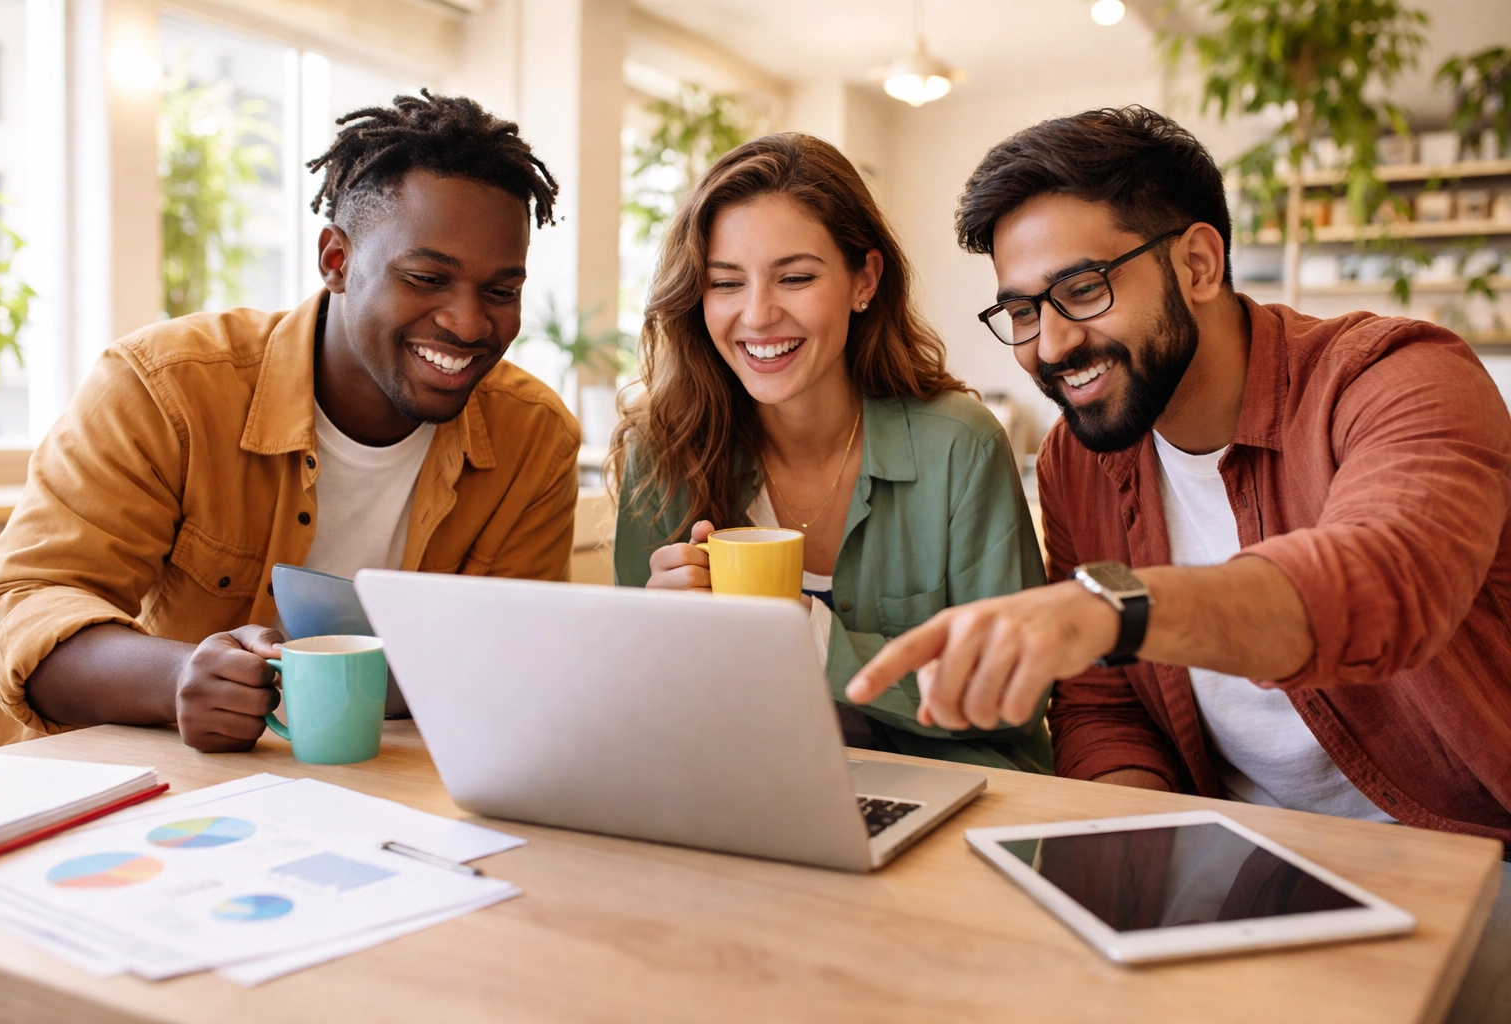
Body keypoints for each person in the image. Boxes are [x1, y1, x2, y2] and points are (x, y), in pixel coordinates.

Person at [846, 106, 1511, 1021]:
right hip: (1234, 866)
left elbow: (1388, 578)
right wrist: (1136, 859)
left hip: (1472, 859)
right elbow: (1104, 704)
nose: (1051, 345)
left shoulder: (1396, 379)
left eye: (1081, 290)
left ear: (1197, 263)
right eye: (1023, 310)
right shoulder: (1079, 461)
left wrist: (1113, 610)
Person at [0, 92, 581, 753]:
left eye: (501, 293)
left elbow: (516, 661)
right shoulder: (165, 387)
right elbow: (21, 606)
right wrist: (179, 677)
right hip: (135, 791)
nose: (469, 324)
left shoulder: (536, 438)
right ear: (336, 261)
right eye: (427, 278)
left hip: (385, 790)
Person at [610, 132, 1049, 772]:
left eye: (795, 277)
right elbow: (635, 711)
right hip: (740, 794)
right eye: (725, 283)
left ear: (863, 280)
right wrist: (659, 639)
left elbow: (1014, 695)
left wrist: (810, 636)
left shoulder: (960, 443)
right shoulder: (665, 448)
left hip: (954, 799)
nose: (757, 315)